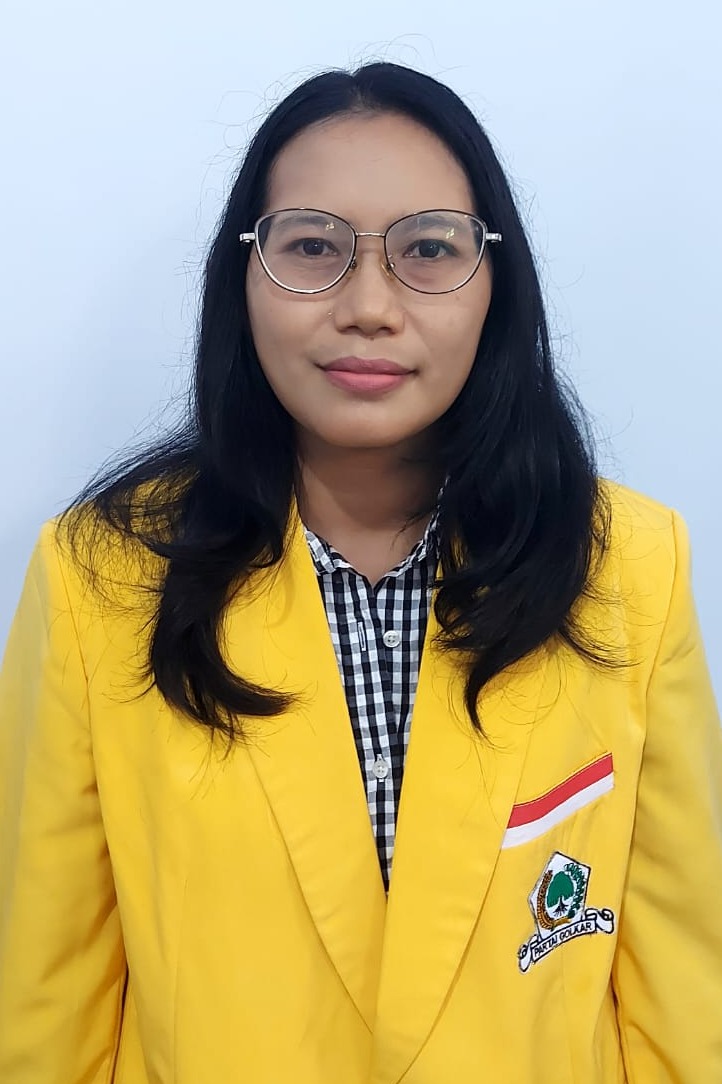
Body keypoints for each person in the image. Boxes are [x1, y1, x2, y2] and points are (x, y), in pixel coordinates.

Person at [0, 61, 720, 1084]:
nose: (370, 306)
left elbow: (685, 998)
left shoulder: (629, 566)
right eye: (312, 247)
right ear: (243, 276)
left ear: (495, 281)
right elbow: (43, 1002)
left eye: (428, 248)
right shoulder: (99, 579)